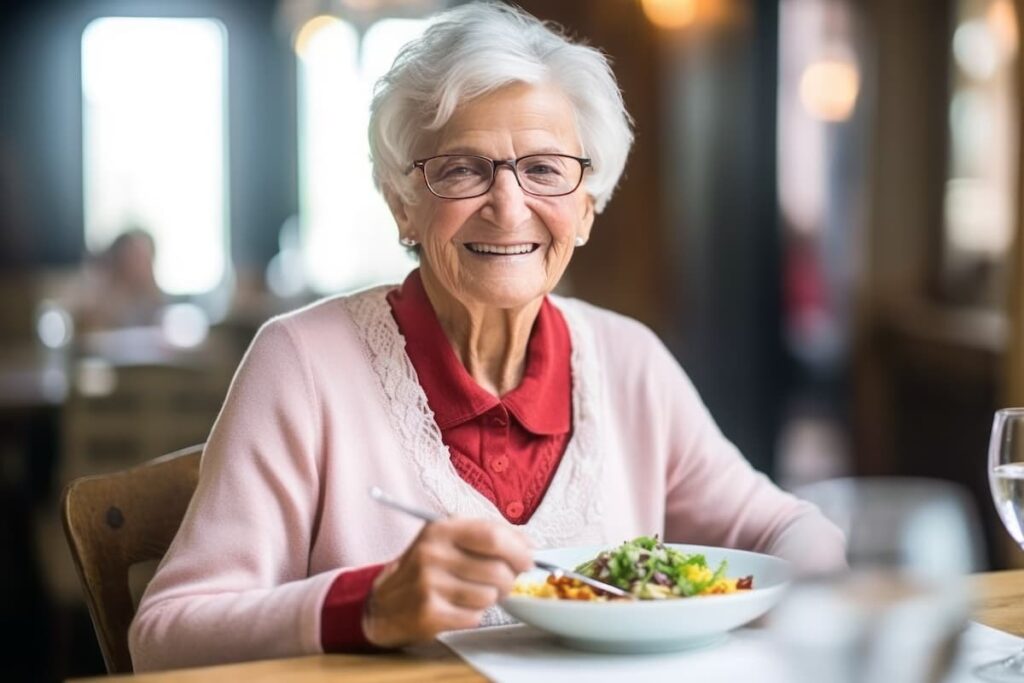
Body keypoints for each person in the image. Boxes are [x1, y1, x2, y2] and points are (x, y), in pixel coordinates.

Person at [129, 3, 845, 671]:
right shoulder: (302, 363)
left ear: (586, 209)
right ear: (402, 203)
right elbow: (165, 632)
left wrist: (826, 603)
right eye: (462, 169)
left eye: (543, 170)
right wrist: (371, 605)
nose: (508, 207)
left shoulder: (630, 361)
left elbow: (787, 530)